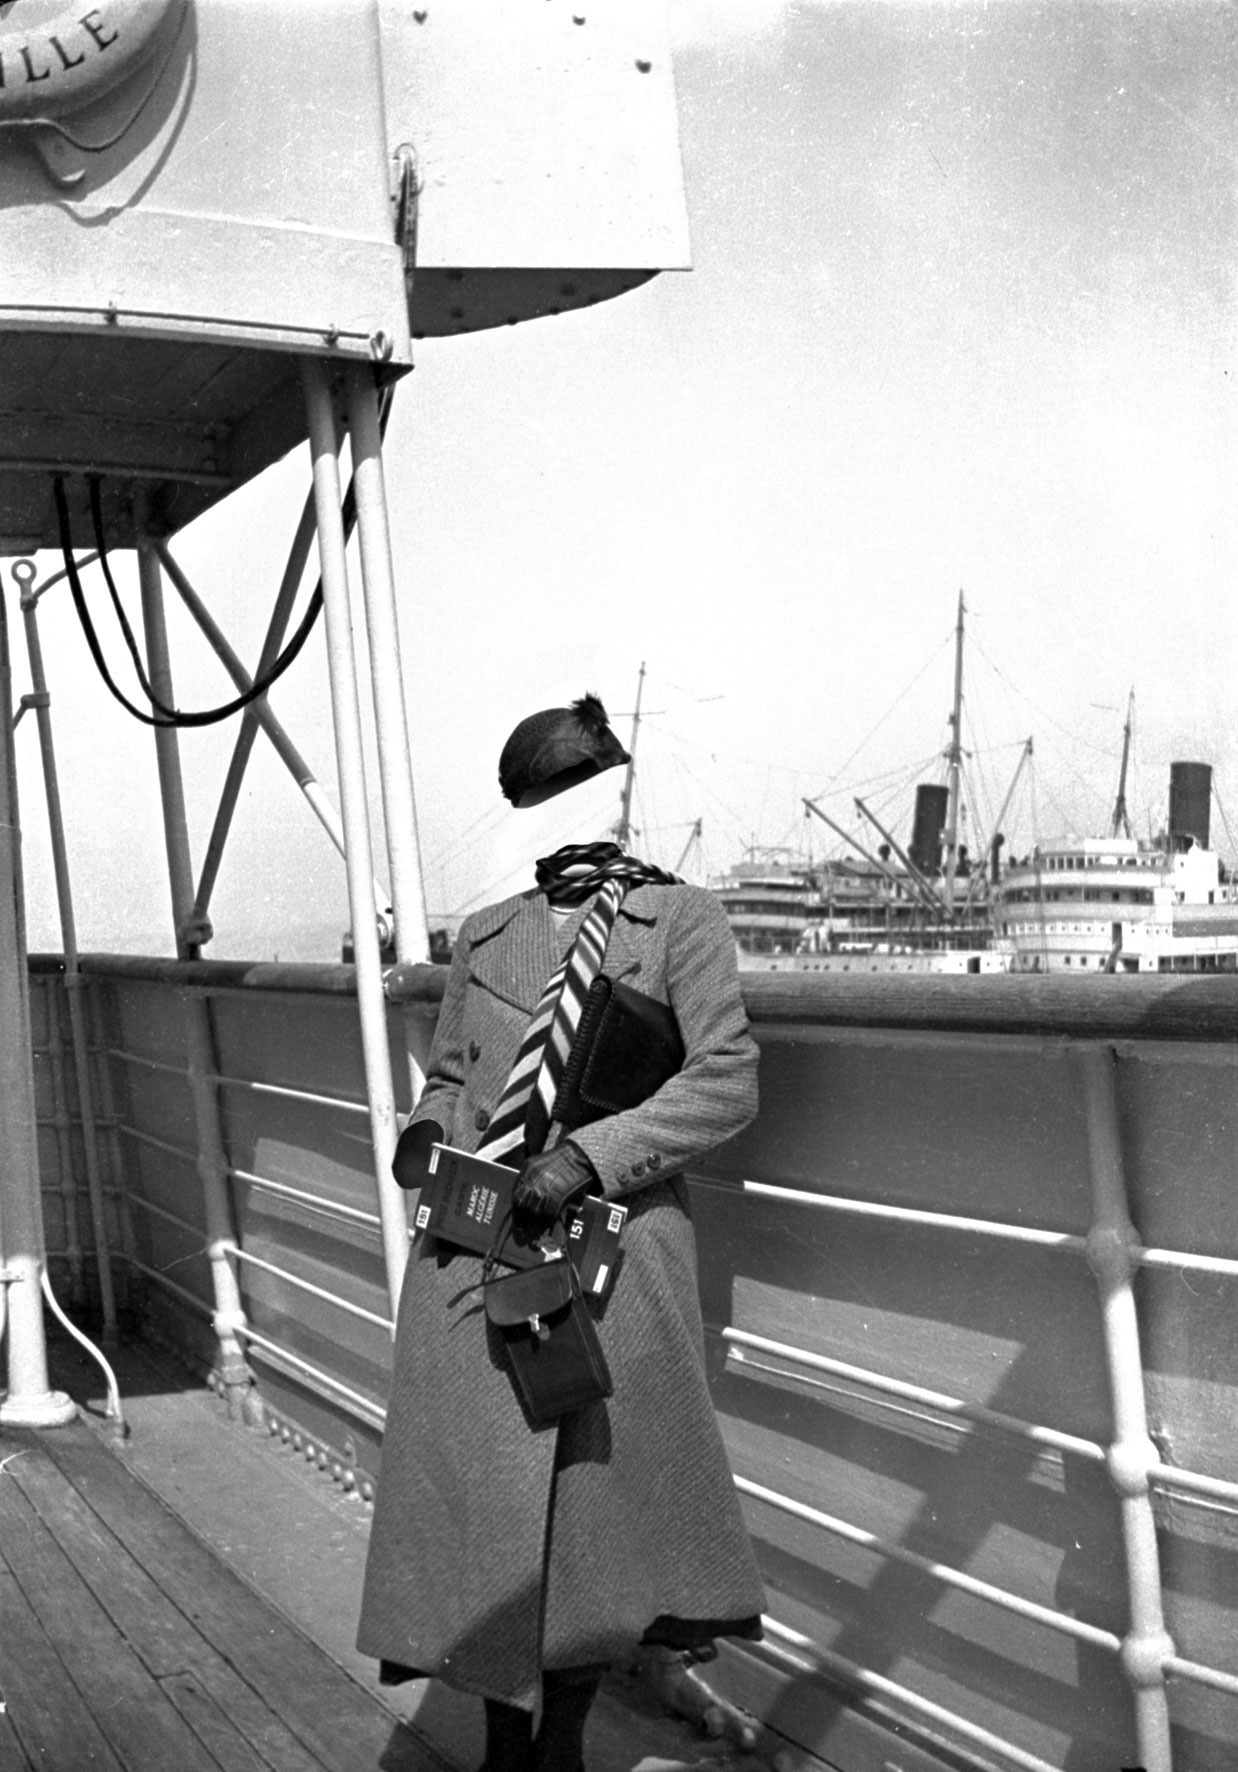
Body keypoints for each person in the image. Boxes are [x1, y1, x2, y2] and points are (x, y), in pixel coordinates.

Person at [357, 693, 764, 1772]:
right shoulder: (486, 933)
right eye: (540, 797)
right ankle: (504, 1738)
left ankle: (564, 1742)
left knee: (592, 1512)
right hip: (479, 1241)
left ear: (612, 795)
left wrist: (586, 1155)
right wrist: (428, 1134)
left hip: (611, 1249)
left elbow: (724, 1082)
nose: (560, 811)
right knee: (485, 1501)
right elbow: (451, 1075)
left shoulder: (681, 921)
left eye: (574, 791)